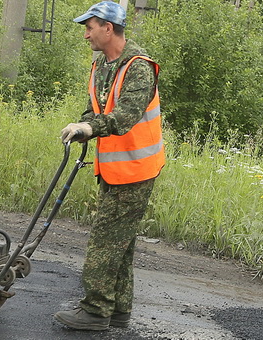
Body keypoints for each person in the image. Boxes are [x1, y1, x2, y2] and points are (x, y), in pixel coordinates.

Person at [54, 1, 165, 331]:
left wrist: (92, 128)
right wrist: (81, 124)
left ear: (108, 28)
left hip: (137, 169)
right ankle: (117, 309)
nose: (85, 34)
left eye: (89, 27)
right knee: (121, 241)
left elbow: (126, 116)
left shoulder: (139, 67)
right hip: (114, 168)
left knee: (104, 241)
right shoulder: (101, 65)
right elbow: (95, 109)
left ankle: (95, 311)